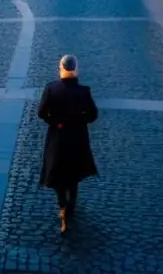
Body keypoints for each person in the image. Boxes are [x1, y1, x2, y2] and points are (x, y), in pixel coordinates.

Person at [38, 55, 98, 234]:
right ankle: (71, 205)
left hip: (58, 136)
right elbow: (93, 115)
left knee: (57, 171)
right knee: (74, 171)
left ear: (60, 68)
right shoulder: (83, 91)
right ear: (76, 69)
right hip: (77, 137)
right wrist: (80, 120)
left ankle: (62, 206)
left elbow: (42, 113)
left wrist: (56, 122)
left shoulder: (51, 89)